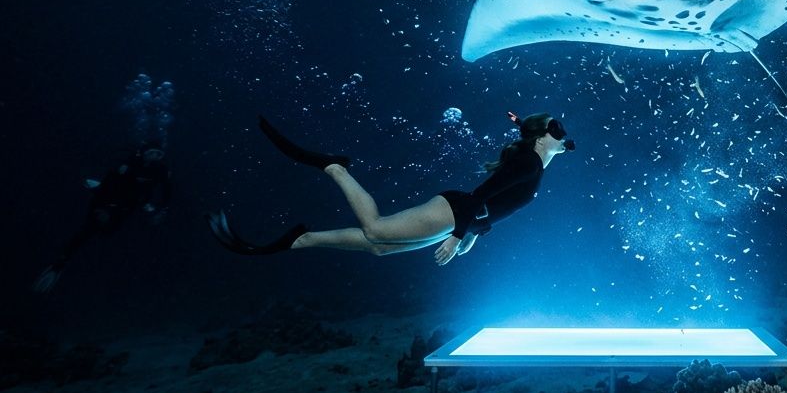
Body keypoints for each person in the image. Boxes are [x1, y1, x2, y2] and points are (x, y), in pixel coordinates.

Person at [208, 112, 573, 264]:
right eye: (556, 129)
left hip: (460, 218)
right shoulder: (527, 161)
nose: (562, 135)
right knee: (377, 229)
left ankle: (301, 239)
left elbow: (495, 203)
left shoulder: (536, 164)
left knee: (381, 247)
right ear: (541, 137)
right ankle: (335, 168)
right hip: (453, 210)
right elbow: (480, 195)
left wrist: (476, 232)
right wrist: (460, 235)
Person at [34, 143, 173, 292]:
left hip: (131, 204)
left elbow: (167, 191)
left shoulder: (161, 171)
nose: (155, 157)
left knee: (107, 232)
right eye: (152, 152)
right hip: (111, 198)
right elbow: (108, 186)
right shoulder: (128, 164)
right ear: (144, 153)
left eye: (159, 155)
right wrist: (101, 208)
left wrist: (162, 210)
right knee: (89, 229)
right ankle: (60, 262)